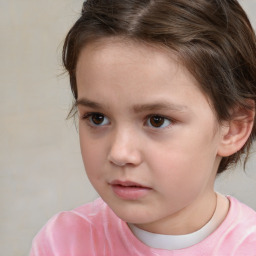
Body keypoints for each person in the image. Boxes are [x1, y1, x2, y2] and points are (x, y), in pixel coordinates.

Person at [30, 0, 256, 255]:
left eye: (156, 120)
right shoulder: (62, 243)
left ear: (233, 128)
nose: (119, 153)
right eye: (97, 118)